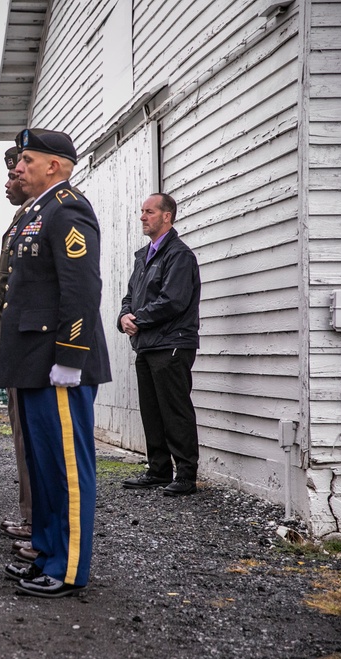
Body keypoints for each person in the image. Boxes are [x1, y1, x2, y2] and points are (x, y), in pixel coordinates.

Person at [0, 128, 111, 598]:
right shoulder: (37, 211)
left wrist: (70, 357)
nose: (17, 168)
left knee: (65, 468)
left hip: (57, 361)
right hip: (33, 359)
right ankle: (45, 551)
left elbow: (81, 290)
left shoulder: (68, 209)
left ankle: (68, 568)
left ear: (54, 165)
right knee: (43, 466)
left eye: (26, 160)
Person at [118, 193, 202, 497]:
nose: (143, 217)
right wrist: (124, 316)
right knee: (151, 410)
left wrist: (137, 319)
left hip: (172, 344)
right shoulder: (144, 256)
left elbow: (174, 300)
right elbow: (130, 295)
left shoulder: (179, 255)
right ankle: (158, 470)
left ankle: (186, 475)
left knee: (174, 409)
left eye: (149, 212)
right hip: (148, 344)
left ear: (166, 216)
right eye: (142, 211)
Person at [0, 146, 33, 550]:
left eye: (16, 174)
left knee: (30, 433)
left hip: (30, 342)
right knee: (20, 430)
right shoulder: (23, 216)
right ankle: (29, 515)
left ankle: (35, 520)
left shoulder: (46, 215)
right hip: (17, 338)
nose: (9, 181)